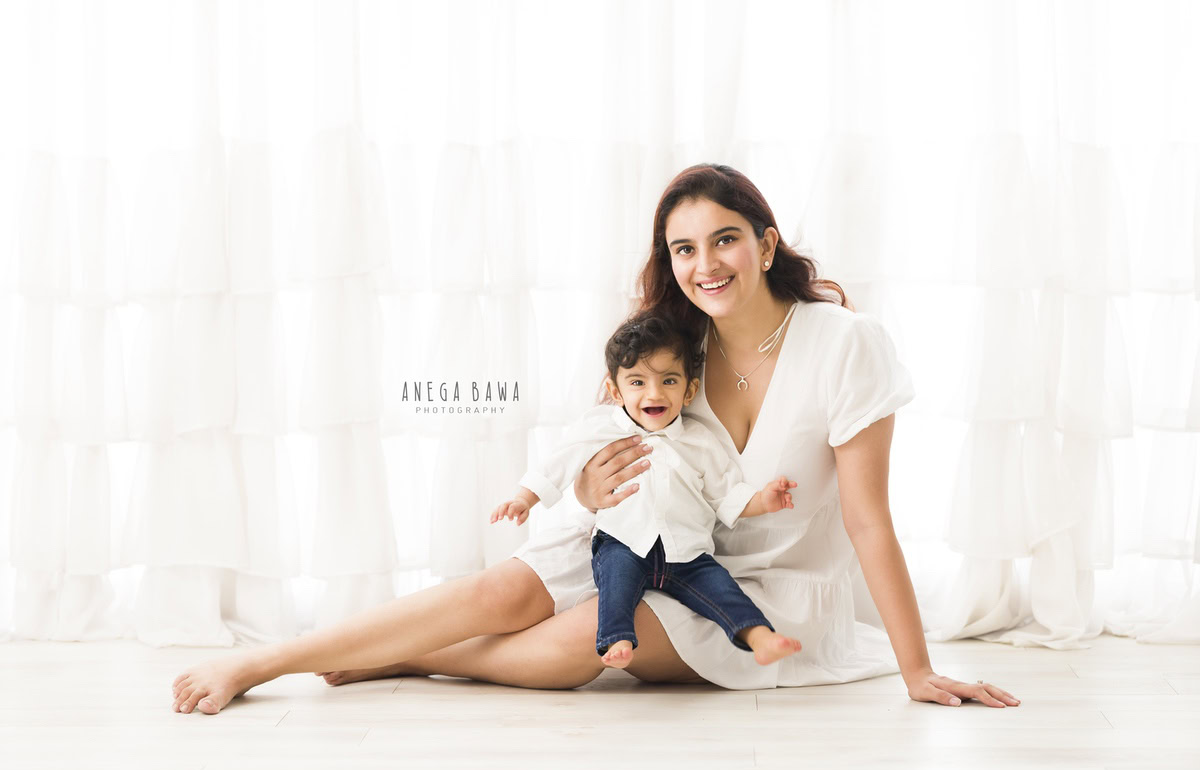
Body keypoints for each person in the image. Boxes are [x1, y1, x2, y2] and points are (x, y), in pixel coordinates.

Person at [170, 163, 1020, 715]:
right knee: (502, 591)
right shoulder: (671, 344)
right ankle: (268, 661)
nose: (705, 264)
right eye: (684, 248)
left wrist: (918, 670)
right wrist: (582, 491)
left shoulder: (846, 343)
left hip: (769, 587)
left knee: (590, 641)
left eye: (725, 239)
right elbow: (601, 450)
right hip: (646, 535)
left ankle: (411, 658)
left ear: (765, 245)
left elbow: (868, 520)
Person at [490, 311, 803, 669]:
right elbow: (559, 462)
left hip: (687, 552)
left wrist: (763, 500)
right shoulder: (600, 428)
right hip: (623, 542)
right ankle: (617, 640)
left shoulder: (700, 441)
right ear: (615, 391)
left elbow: (727, 493)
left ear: (689, 390)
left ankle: (760, 637)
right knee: (615, 586)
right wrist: (524, 498)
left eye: (669, 380)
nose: (654, 393)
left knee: (722, 589)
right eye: (637, 382)